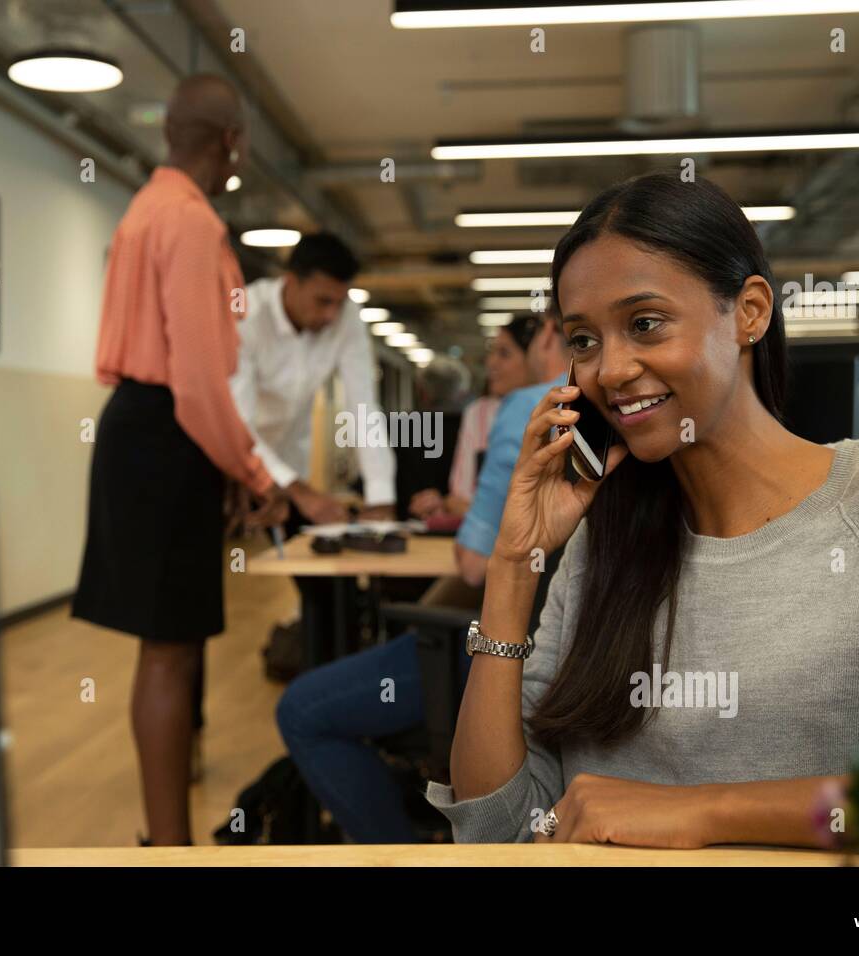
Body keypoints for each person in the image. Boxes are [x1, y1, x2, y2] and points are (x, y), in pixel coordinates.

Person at [428, 172, 859, 847]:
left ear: (749, 312)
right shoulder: (604, 544)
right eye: (584, 340)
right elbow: (496, 834)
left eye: (644, 323)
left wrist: (704, 810)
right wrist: (515, 564)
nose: (609, 370)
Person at [72, 74, 281, 847]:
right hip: (167, 433)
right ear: (230, 141)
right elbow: (198, 387)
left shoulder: (142, 209)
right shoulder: (190, 223)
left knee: (172, 644)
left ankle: (165, 839)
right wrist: (255, 476)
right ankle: (169, 848)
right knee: (168, 650)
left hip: (144, 428)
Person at [274, 313, 571, 843]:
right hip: (571, 654)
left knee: (301, 710)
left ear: (547, 335)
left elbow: (474, 564)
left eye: (502, 352)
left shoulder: (525, 410)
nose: (490, 366)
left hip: (501, 654)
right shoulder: (603, 408)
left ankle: (397, 851)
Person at [229, 232, 396, 527]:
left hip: (292, 464)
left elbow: (363, 408)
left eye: (339, 302)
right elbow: (238, 423)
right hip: (236, 460)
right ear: (291, 281)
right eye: (322, 301)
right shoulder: (247, 316)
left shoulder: (347, 318)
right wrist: (297, 490)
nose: (332, 315)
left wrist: (380, 495)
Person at [409, 315, 541, 521]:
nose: (491, 363)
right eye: (492, 353)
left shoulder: (557, 413)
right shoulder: (478, 413)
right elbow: (457, 498)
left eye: (504, 354)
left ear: (536, 357)